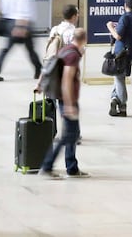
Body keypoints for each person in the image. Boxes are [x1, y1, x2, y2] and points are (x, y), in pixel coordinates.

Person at [39, 28, 90, 179]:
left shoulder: (65, 50)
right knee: (67, 136)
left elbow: (48, 65)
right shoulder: (73, 55)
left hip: (66, 100)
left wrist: (40, 84)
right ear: (84, 40)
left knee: (72, 135)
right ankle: (47, 166)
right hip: (68, 101)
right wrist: (69, 104)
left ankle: (72, 167)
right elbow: (67, 80)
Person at [0, 0, 42, 81]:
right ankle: (39, 71)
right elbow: (23, 11)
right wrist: (20, 27)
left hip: (9, 23)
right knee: (31, 49)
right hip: (21, 24)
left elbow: (1, 6)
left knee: (6, 49)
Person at [106, 0, 132, 117]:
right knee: (118, 76)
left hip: (122, 53)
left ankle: (122, 106)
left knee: (119, 78)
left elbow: (118, 36)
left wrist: (110, 27)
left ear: (125, 5)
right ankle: (114, 99)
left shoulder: (125, 17)